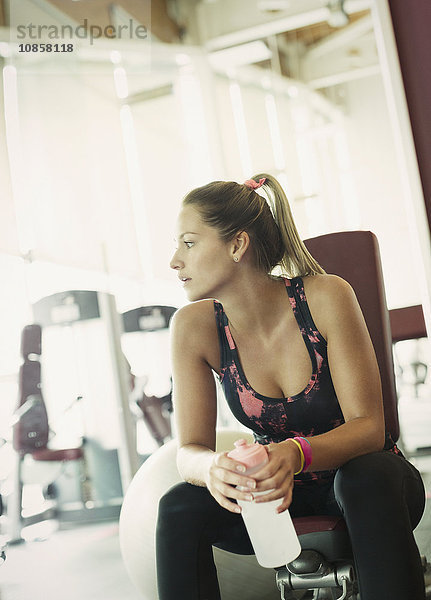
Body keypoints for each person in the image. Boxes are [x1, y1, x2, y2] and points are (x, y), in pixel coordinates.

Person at [156, 174, 426, 600]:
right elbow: (188, 449)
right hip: (274, 498)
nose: (174, 260)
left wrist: (294, 452)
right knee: (178, 507)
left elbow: (369, 428)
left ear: (237, 245)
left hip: (369, 486)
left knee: (365, 477)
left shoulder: (325, 296)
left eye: (188, 243)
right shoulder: (193, 327)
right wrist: (212, 469)